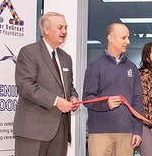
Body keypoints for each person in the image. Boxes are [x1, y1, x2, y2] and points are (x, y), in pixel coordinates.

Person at [14, 12, 79, 156]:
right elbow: (25, 86)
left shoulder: (65, 58)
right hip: (33, 130)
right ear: (46, 29)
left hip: (60, 130)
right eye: (60, 27)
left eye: (66, 28)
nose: (64, 31)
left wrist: (73, 97)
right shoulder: (29, 52)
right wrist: (56, 101)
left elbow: (69, 86)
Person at [83, 22, 143, 156]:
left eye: (128, 37)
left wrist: (137, 130)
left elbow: (137, 101)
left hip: (126, 132)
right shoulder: (95, 67)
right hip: (100, 132)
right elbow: (87, 99)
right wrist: (106, 104)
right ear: (110, 38)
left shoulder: (132, 68)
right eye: (123, 38)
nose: (128, 41)